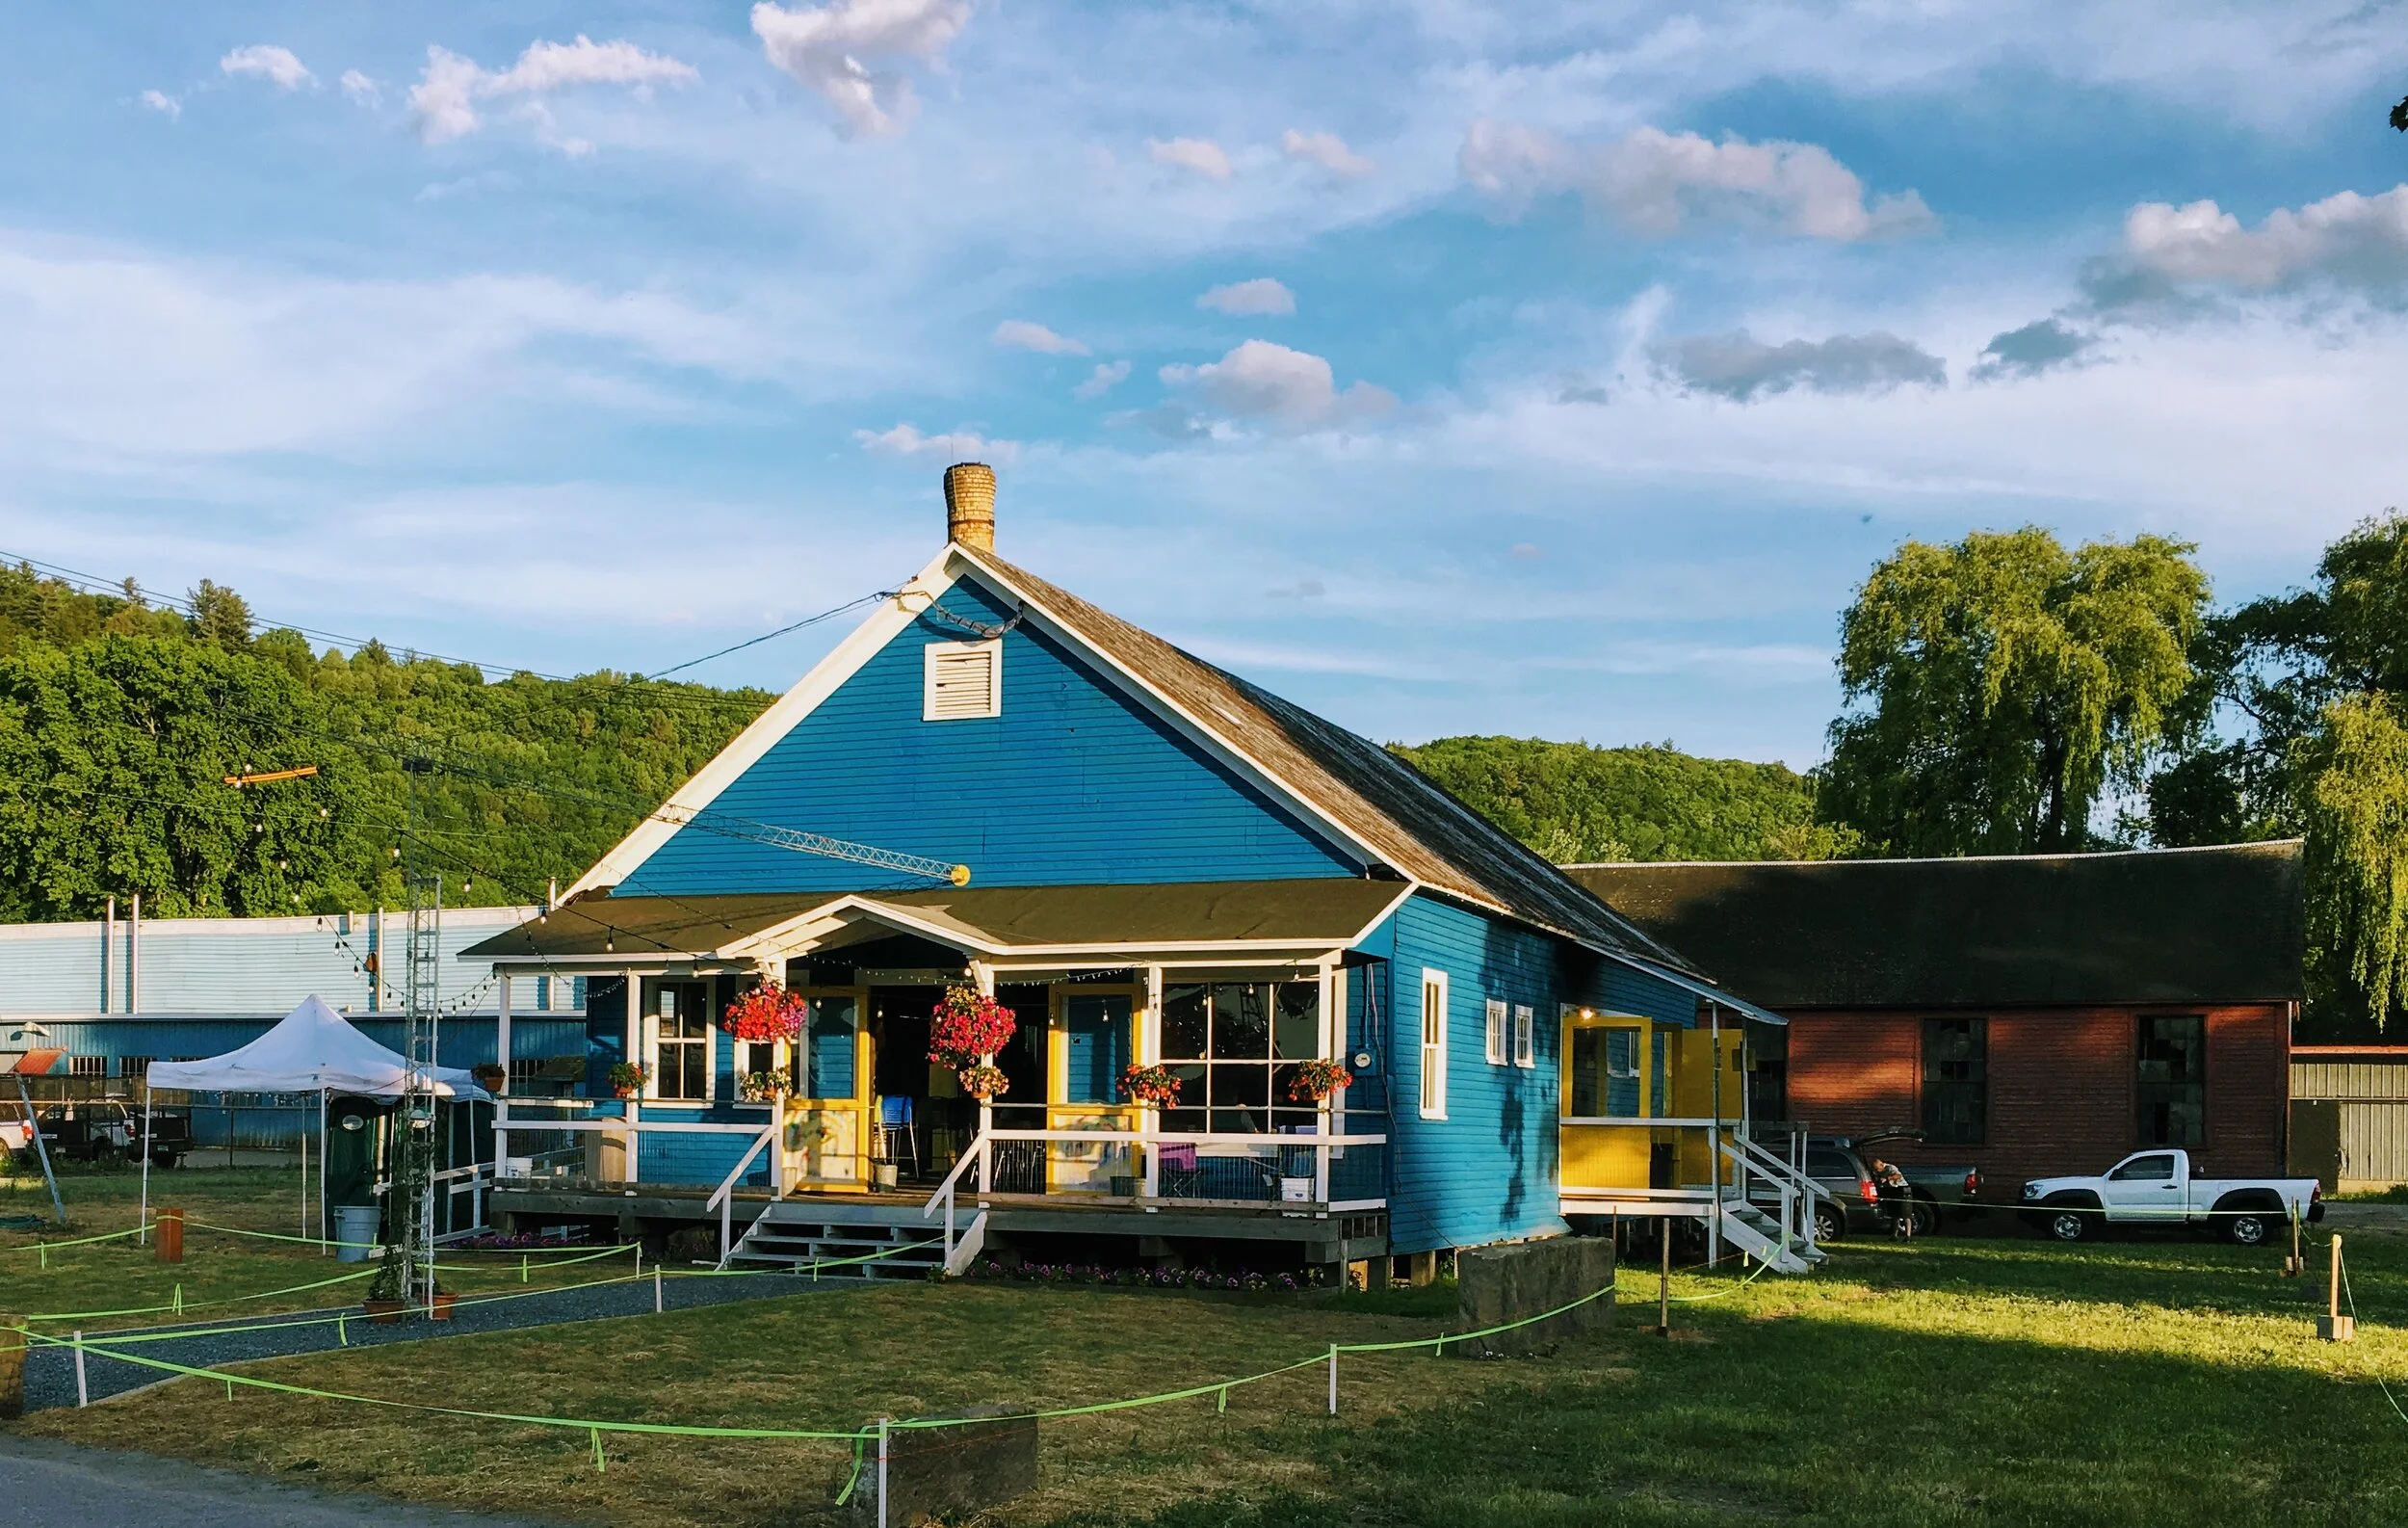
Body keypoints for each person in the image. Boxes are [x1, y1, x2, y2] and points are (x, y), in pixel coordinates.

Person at [1869, 1157, 1916, 1239]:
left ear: (1881, 1165)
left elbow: (1898, 1175)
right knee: (1894, 1214)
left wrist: (1887, 1178)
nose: (1877, 1171)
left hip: (1903, 1191)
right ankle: (1894, 1235)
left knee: (1906, 1214)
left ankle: (1908, 1236)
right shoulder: (1877, 1172)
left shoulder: (1891, 1168)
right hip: (1892, 1191)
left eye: (1877, 1169)